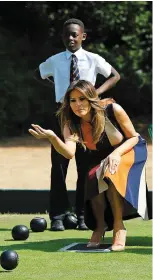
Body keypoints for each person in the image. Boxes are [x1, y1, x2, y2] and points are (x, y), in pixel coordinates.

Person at [29, 80, 151, 251]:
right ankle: (99, 227)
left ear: (91, 98)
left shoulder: (111, 109)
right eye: (73, 100)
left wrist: (116, 154)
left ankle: (118, 226)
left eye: (82, 99)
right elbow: (69, 153)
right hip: (102, 156)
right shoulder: (70, 122)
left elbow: (134, 137)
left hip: (128, 150)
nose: (78, 104)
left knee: (110, 172)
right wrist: (52, 138)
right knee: (92, 178)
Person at [34, 18, 120, 231]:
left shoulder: (92, 59)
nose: (71, 38)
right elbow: (38, 74)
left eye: (75, 34)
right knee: (59, 167)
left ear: (83, 36)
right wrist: (57, 89)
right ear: (62, 37)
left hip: (85, 117)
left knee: (85, 167)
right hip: (62, 114)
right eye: (67, 35)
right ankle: (58, 216)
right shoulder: (54, 60)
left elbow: (115, 75)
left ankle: (83, 215)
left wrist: (94, 95)